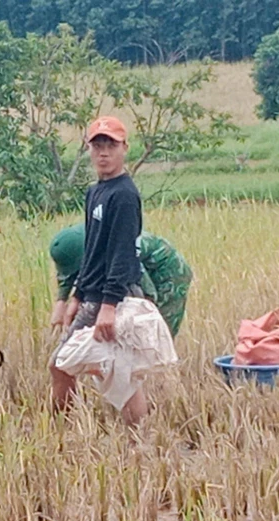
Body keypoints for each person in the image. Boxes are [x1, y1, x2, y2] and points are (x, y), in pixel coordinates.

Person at [49, 116, 150, 428]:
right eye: (97, 146)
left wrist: (108, 305)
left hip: (112, 297)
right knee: (113, 370)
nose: (103, 153)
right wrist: (77, 293)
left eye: (111, 145)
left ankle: (66, 430)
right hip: (93, 294)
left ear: (124, 149)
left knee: (65, 366)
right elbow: (93, 248)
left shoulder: (124, 194)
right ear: (89, 150)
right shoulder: (95, 192)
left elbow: (122, 253)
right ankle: (87, 429)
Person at [49, 223, 193, 337]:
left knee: (158, 331)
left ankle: (160, 370)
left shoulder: (117, 252)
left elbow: (148, 295)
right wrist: (61, 302)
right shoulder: (79, 241)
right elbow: (69, 274)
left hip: (168, 270)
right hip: (137, 263)